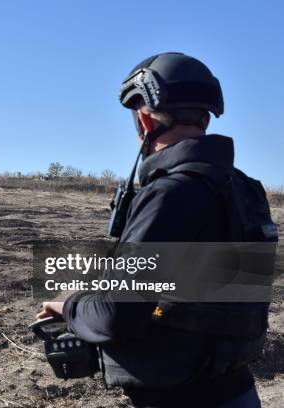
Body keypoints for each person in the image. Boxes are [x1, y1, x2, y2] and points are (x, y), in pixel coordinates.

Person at [37, 52, 278, 408]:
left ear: (145, 122)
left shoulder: (171, 193)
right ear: (204, 118)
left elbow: (117, 316)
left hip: (178, 396)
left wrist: (69, 303)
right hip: (237, 388)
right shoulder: (244, 189)